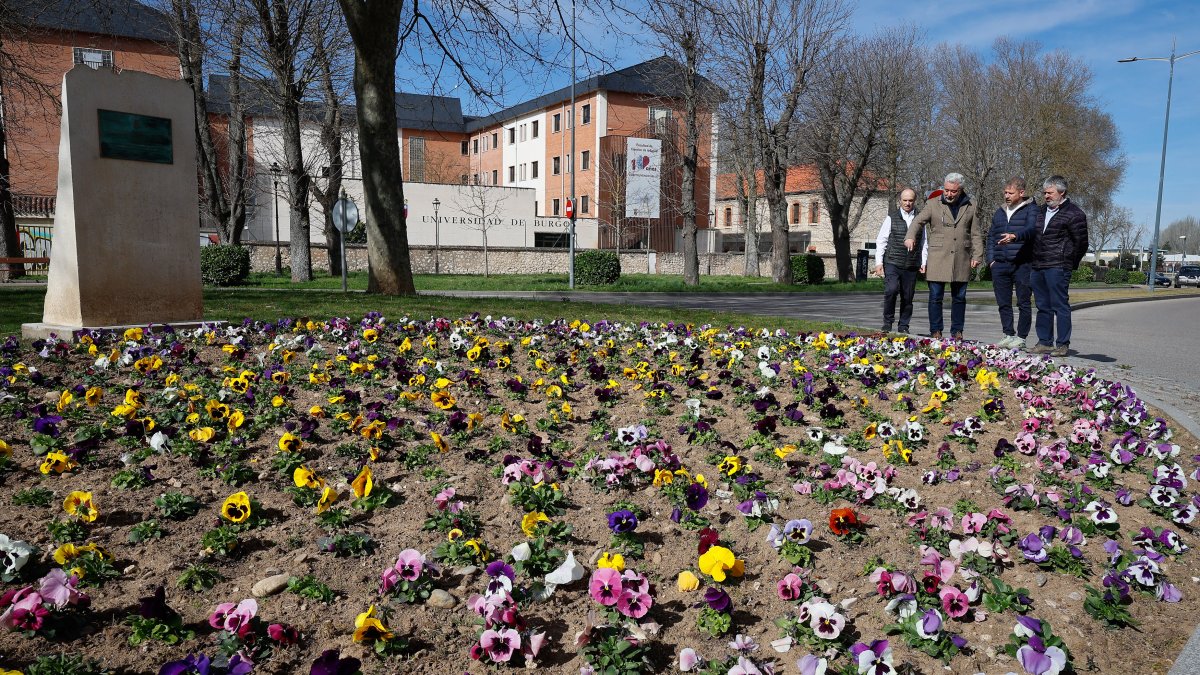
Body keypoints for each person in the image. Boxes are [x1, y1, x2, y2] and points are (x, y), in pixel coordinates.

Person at [904, 173, 984, 339]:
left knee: (959, 298)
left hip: (961, 257)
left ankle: (957, 331)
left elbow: (976, 233)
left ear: (960, 190)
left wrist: (978, 254)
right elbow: (917, 221)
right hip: (938, 257)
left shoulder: (971, 205)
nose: (948, 194)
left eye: (953, 191)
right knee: (935, 297)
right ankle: (936, 330)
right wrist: (910, 236)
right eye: (946, 190)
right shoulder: (933, 203)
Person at [1029, 175, 1088, 357]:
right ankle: (1044, 341)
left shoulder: (1075, 214)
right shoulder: (1039, 212)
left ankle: (1062, 344)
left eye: (1050, 192)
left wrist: (1069, 262)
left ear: (1062, 192)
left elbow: (1082, 243)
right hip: (1038, 265)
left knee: (1060, 305)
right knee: (1042, 305)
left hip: (1059, 266)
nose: (1046, 196)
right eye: (1045, 193)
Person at [986, 177, 1038, 348]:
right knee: (1003, 302)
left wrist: (1015, 236)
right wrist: (991, 260)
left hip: (1023, 263)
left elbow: (1032, 229)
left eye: (1010, 193)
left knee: (1023, 302)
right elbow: (991, 236)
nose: (1006, 196)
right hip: (1000, 264)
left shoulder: (1031, 209)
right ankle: (1008, 334)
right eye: (1005, 192)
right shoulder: (1000, 211)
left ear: (1021, 193)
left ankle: (1021, 338)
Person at [873, 188, 927, 333]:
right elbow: (881, 240)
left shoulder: (921, 219)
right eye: (905, 200)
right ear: (900, 201)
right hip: (893, 261)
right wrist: (878, 262)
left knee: (908, 296)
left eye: (910, 200)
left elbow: (924, 242)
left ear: (914, 201)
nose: (908, 203)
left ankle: (903, 326)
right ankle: (887, 322)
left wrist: (924, 262)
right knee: (891, 290)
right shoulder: (891, 218)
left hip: (911, 264)